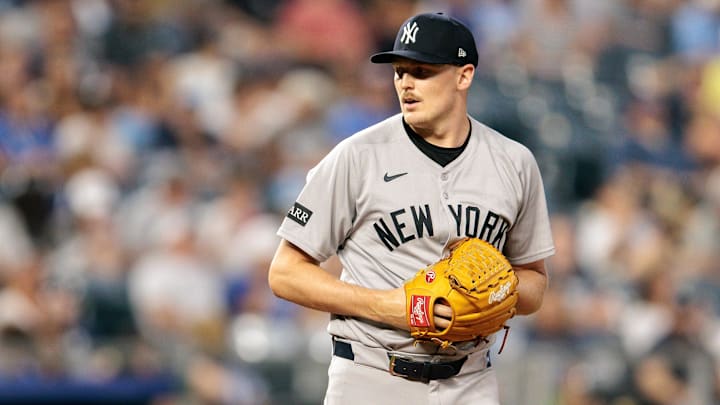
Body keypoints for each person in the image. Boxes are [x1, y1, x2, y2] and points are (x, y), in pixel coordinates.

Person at [268, 12, 555, 405]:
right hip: (371, 376)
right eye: (400, 71)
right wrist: (389, 307)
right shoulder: (356, 156)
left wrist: (494, 294)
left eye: (422, 71)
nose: (405, 83)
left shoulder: (514, 162)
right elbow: (285, 274)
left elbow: (535, 283)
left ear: (463, 75)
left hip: (470, 382)